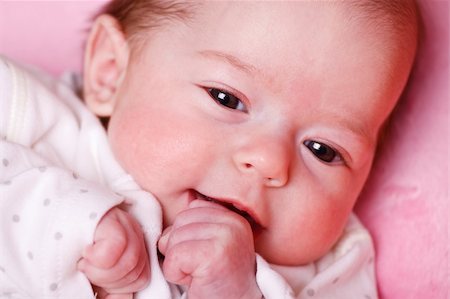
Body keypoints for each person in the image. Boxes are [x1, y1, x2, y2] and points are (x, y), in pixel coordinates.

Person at [0, 0, 419, 298]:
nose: (270, 162)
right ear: (112, 73)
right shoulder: (37, 120)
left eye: (322, 149)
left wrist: (236, 291)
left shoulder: (332, 269)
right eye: (227, 99)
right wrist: (64, 216)